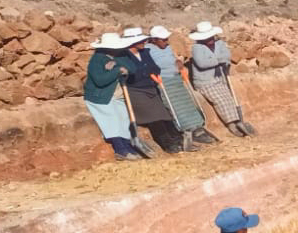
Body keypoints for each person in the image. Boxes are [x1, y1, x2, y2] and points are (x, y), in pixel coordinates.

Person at [146, 25, 217, 145]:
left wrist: (178, 61)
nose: (166, 42)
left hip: (177, 79)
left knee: (187, 103)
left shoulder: (167, 47)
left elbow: (173, 58)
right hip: (164, 81)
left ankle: (197, 126)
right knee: (175, 106)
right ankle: (186, 128)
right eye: (163, 40)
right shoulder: (148, 49)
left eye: (166, 39)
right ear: (154, 40)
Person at [119, 29, 184, 153]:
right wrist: (145, 72)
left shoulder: (144, 52)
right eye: (141, 40)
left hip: (150, 88)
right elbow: (133, 74)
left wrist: (149, 72)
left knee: (165, 115)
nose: (144, 42)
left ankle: (177, 138)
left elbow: (155, 68)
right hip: (136, 91)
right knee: (155, 117)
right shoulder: (124, 56)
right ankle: (167, 143)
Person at [82, 32, 142, 160]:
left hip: (118, 95)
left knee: (124, 120)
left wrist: (117, 65)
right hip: (101, 97)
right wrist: (117, 71)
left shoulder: (122, 55)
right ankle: (120, 149)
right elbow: (100, 80)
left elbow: (132, 68)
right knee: (112, 121)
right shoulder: (97, 59)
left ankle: (127, 146)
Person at [187, 22, 252, 137]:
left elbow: (227, 56)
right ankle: (231, 124)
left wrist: (218, 60)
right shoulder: (197, 48)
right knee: (220, 101)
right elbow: (202, 63)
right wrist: (219, 60)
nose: (210, 39)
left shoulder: (220, 44)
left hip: (220, 78)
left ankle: (238, 121)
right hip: (205, 81)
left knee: (229, 98)